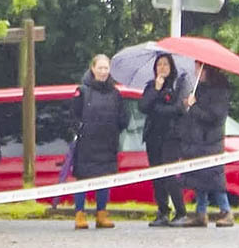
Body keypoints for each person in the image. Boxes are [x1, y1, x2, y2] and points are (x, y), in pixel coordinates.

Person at [70, 54, 129, 229]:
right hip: (86, 144)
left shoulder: (116, 93)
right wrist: (81, 130)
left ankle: (101, 213)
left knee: (104, 180)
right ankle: (80, 214)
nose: (103, 72)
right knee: (82, 179)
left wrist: (115, 129)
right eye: (100, 68)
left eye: (106, 68)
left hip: (108, 144)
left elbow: (123, 118)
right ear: (93, 69)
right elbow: (73, 117)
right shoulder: (82, 91)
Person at [176, 64, 233, 228]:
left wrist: (194, 107)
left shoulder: (220, 90)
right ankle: (201, 213)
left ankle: (225, 210)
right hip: (196, 140)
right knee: (198, 178)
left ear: (206, 69)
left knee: (214, 177)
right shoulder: (199, 88)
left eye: (198, 67)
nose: (195, 71)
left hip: (210, 141)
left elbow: (214, 117)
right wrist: (188, 104)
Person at [139, 52, 188, 227]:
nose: (162, 68)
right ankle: (163, 211)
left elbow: (178, 109)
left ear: (171, 67)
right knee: (157, 175)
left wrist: (158, 108)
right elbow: (143, 106)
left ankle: (181, 212)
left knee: (170, 175)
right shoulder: (151, 86)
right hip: (153, 137)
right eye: (159, 65)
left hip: (171, 137)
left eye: (165, 64)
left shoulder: (178, 85)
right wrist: (156, 90)